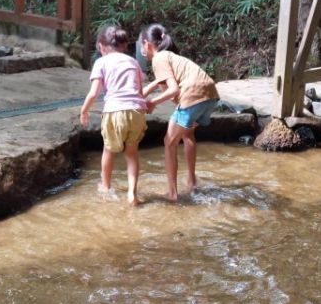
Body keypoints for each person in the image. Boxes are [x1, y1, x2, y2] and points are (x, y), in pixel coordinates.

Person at [140, 23, 220, 201]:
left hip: (192, 95)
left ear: (146, 44)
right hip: (210, 95)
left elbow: (173, 89)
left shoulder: (158, 58)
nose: (141, 50)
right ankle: (192, 181)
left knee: (169, 142)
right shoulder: (170, 56)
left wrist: (152, 102)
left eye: (141, 45)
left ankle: (172, 194)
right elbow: (161, 82)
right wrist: (142, 94)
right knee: (188, 134)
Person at [80, 25, 147, 206]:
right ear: (123, 45)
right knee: (132, 153)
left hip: (114, 110)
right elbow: (140, 92)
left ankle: (105, 185)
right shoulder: (133, 62)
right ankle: (132, 194)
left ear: (101, 46)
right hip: (137, 111)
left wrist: (84, 111)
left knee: (109, 150)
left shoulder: (101, 62)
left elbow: (94, 93)